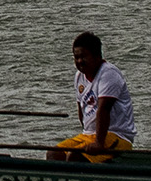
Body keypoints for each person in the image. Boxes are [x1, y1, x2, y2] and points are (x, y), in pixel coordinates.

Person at [48, 32, 135, 161]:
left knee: (75, 157)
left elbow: (104, 109)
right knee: (53, 154)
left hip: (115, 136)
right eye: (76, 57)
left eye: (84, 57)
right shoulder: (79, 76)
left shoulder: (108, 73)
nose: (79, 61)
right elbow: (81, 108)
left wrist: (99, 143)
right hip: (89, 135)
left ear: (96, 56)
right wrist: (86, 132)